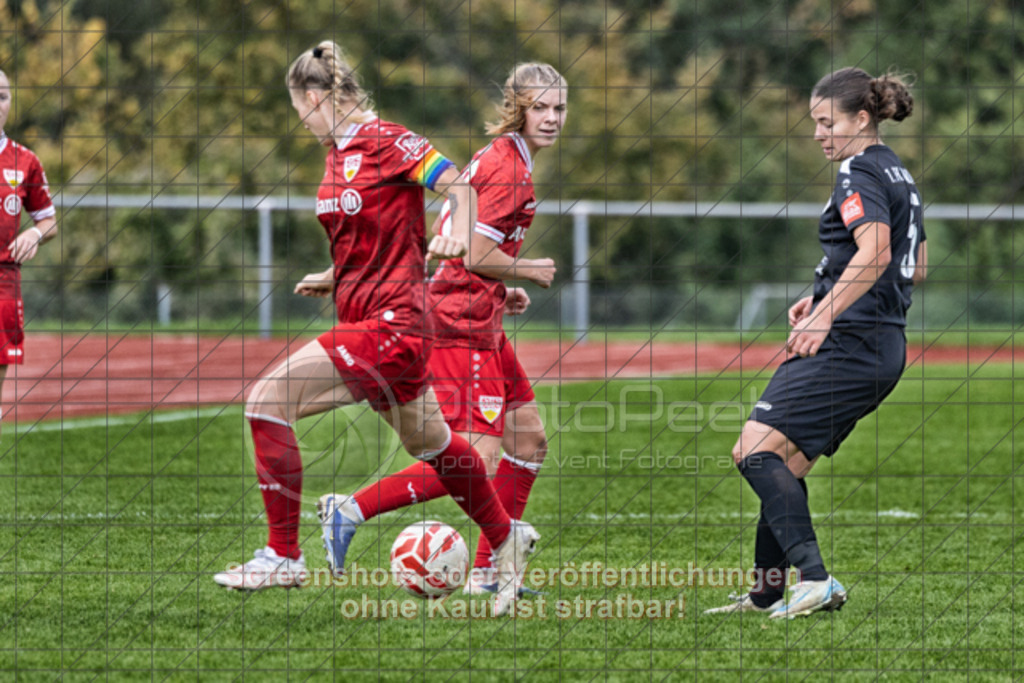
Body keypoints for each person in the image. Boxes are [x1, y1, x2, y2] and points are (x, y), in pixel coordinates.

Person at [212, 42, 539, 616]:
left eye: (299, 110)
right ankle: (504, 536)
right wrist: (333, 274)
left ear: (314, 99)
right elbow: (376, 240)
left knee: (266, 402)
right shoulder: (336, 155)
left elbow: (457, 185)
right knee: (433, 444)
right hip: (372, 319)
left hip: (395, 323)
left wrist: (459, 233)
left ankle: (283, 555)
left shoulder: (387, 140)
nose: (302, 122)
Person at [319, 63, 565, 595]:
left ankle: (487, 572)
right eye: (539, 107)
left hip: (482, 316)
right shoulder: (509, 168)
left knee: (530, 440)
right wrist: (526, 268)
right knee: (473, 456)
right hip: (458, 324)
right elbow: (475, 252)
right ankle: (349, 510)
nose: (550, 118)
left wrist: (501, 284)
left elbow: (445, 230)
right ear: (516, 109)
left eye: (559, 108)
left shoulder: (504, 158)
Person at [705, 67, 928, 619]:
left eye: (827, 122)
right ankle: (766, 594)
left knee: (753, 451)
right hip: (880, 344)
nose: (817, 134)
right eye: (814, 123)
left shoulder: (857, 171)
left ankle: (816, 580)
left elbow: (875, 253)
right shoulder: (898, 172)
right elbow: (915, 265)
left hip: (850, 343)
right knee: (784, 462)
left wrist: (825, 315)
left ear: (860, 118)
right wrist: (823, 292)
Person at [0, 69, 57, 434]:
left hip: (3, 281)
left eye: (3, 96)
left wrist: (35, 235)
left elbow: (49, 221)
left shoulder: (25, 161)